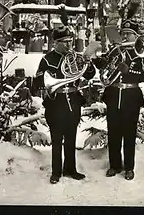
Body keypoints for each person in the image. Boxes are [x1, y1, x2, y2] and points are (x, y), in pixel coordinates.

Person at [32, 10, 96, 184]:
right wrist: (49, 77)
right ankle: (56, 171)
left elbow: (89, 75)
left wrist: (88, 62)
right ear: (56, 43)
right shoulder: (48, 59)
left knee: (71, 137)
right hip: (56, 103)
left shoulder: (75, 57)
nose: (69, 46)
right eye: (65, 43)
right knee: (57, 139)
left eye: (70, 42)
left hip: (73, 101)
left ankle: (70, 169)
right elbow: (37, 82)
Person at [93, 16, 144, 180]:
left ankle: (129, 167)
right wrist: (101, 62)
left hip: (131, 97)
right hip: (113, 95)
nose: (125, 36)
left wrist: (129, 72)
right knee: (114, 132)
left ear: (135, 36)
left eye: (129, 33)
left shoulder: (141, 51)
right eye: (123, 33)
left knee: (129, 134)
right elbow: (105, 70)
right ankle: (114, 165)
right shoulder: (115, 50)